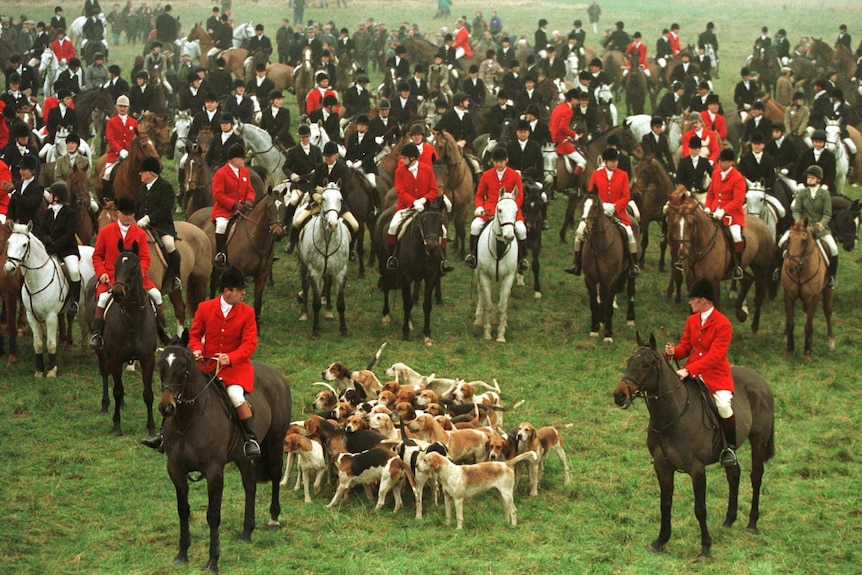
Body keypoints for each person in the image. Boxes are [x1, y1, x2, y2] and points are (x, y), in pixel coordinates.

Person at [141, 266, 261, 458]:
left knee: (236, 396)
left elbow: (250, 344)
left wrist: (230, 357)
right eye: (239, 290)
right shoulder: (205, 308)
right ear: (227, 291)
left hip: (234, 369)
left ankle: (250, 439)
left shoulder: (247, 313)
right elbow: (195, 335)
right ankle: (163, 436)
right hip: (206, 365)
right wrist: (196, 349)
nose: (243, 293)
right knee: (178, 391)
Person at [664, 277, 738, 467]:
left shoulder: (723, 324)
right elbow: (686, 347)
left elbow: (715, 356)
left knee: (723, 405)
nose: (690, 302)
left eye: (693, 299)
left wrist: (688, 370)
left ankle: (729, 447)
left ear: (703, 300)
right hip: (692, 371)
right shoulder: (692, 320)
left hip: (715, 374)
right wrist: (673, 353)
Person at [90, 196, 170, 349]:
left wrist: (139, 273)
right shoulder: (106, 232)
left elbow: (145, 257)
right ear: (118, 213)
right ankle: (97, 334)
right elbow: (97, 256)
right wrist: (101, 273)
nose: (128, 217)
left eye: (131, 215)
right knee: (102, 299)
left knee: (157, 295)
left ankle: (162, 330)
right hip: (113, 276)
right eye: (125, 214)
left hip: (135, 276)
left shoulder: (139, 233)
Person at [565, 147, 639, 276]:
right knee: (580, 234)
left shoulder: (623, 175)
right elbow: (591, 193)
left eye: (616, 161)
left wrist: (614, 207)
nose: (614, 163)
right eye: (611, 161)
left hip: (618, 213)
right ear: (605, 162)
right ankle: (576, 264)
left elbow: (626, 196)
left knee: (629, 234)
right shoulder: (596, 174)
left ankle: (633, 265)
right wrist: (600, 205)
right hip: (597, 212)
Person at [385, 143, 449, 272]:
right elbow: (400, 191)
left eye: (403, 158)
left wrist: (424, 199)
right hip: (406, 207)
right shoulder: (399, 171)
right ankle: (393, 257)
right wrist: (414, 202)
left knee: (444, 231)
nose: (401, 160)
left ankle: (442, 260)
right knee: (392, 227)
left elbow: (434, 189)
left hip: (426, 207)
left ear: (413, 158)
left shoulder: (427, 169)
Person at [286, 141, 360, 251]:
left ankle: (351, 249)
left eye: (330, 156)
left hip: (336, 204)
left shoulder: (342, 169)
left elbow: (345, 190)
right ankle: (292, 243)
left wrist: (325, 190)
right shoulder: (319, 167)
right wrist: (314, 194)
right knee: (298, 221)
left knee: (355, 225)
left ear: (336, 156)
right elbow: (311, 185)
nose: (327, 158)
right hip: (319, 202)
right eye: (326, 156)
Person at [465, 146, 529, 272]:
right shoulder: (486, 175)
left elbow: (520, 195)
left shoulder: (514, 175)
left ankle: (521, 259)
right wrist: (479, 207)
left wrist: (513, 207)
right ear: (493, 162)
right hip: (489, 210)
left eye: (501, 161)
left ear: (506, 160)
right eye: (496, 161)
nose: (499, 164)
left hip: (510, 212)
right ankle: (473, 255)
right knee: (475, 226)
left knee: (521, 230)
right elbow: (479, 194)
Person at [782, 165, 838, 286]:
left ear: (818, 180)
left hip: (820, 229)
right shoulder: (802, 193)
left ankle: (831, 277)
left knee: (833, 249)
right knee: (781, 242)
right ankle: (777, 271)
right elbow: (796, 210)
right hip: (800, 228)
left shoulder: (825, 194)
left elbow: (827, 213)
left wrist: (822, 223)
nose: (809, 180)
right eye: (808, 177)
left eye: (812, 178)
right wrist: (798, 221)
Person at [135, 156, 181, 291]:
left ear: (150, 173)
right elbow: (137, 206)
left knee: (169, 244)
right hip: (142, 225)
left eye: (142, 171)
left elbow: (165, 210)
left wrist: (148, 218)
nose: (140, 174)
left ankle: (175, 277)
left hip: (162, 227)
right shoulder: (142, 188)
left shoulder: (165, 187)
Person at [35, 181, 81, 314]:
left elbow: (69, 234)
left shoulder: (70, 213)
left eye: (51, 194)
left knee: (73, 271)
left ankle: (75, 301)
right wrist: (45, 239)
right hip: (50, 249)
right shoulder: (48, 212)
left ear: (56, 197)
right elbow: (41, 230)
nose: (48, 196)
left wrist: (56, 245)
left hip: (67, 250)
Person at [705, 148, 746, 280]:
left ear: (730, 162)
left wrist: (723, 211)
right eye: (719, 161)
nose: (719, 164)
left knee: (736, 236)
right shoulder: (716, 173)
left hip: (732, 216)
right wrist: (707, 207)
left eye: (722, 162)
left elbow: (738, 200)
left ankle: (737, 266)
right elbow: (711, 193)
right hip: (713, 212)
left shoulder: (738, 178)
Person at [212, 143, 255, 266]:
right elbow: (218, 195)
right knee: (221, 226)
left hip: (244, 209)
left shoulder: (245, 172)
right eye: (243, 158)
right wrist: (234, 204)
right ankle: (220, 253)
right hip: (225, 210)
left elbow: (250, 190)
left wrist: (249, 200)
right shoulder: (221, 173)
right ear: (235, 159)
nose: (245, 160)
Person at [344, 114, 381, 216]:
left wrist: (360, 163)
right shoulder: (352, 137)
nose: (361, 127)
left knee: (372, 184)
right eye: (359, 125)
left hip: (367, 167)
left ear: (366, 127)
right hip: (353, 166)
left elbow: (370, 155)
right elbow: (349, 153)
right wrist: (348, 161)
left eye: (363, 125)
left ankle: (375, 206)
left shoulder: (371, 138)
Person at [102, 95, 137, 199]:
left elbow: (136, 139)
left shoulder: (134, 122)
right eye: (120, 106)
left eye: (125, 106)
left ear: (128, 108)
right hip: (115, 155)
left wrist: (130, 151)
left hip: (131, 155)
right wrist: (120, 150)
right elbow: (110, 139)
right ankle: (107, 197)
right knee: (107, 174)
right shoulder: (111, 122)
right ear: (116, 107)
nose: (122, 108)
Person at [549, 89, 587, 175]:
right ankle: (572, 185)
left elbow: (552, 124)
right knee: (582, 162)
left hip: (552, 140)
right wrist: (574, 135)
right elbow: (562, 127)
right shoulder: (568, 110)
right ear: (573, 99)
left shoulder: (558, 108)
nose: (578, 102)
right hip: (561, 142)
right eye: (577, 100)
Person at [795, 129, 836, 194]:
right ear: (812, 142)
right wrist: (800, 183)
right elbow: (798, 170)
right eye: (816, 142)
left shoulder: (830, 156)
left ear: (824, 143)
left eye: (820, 142)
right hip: (807, 185)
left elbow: (831, 174)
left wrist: (826, 185)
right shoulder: (806, 153)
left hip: (823, 186)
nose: (818, 144)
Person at [7, 154, 44, 226]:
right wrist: (9, 218)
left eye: (24, 169)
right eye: (20, 169)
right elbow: (12, 204)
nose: (20, 172)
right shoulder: (18, 185)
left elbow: (28, 203)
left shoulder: (38, 188)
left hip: (29, 225)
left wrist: (14, 192)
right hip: (15, 224)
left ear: (32, 171)